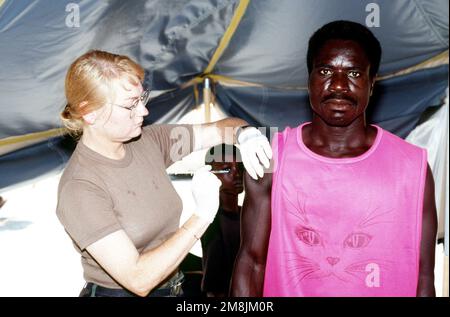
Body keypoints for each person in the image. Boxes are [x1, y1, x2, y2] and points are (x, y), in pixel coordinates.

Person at [231, 21, 437, 297]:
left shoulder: (412, 167)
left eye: (353, 72)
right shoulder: (272, 159)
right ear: (309, 80)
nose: (339, 85)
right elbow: (252, 263)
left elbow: (424, 277)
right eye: (326, 71)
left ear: (371, 83)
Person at [56, 50, 272, 297]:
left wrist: (245, 134)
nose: (143, 112)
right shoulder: (80, 187)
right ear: (89, 112)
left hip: (174, 288)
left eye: (141, 99)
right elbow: (138, 279)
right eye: (130, 105)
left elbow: (220, 130)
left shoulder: (148, 141)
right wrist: (202, 215)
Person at [200, 144, 244, 297]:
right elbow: (214, 288)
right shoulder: (212, 222)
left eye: (240, 167)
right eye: (226, 169)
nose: (236, 174)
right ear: (211, 174)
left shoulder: (247, 214)